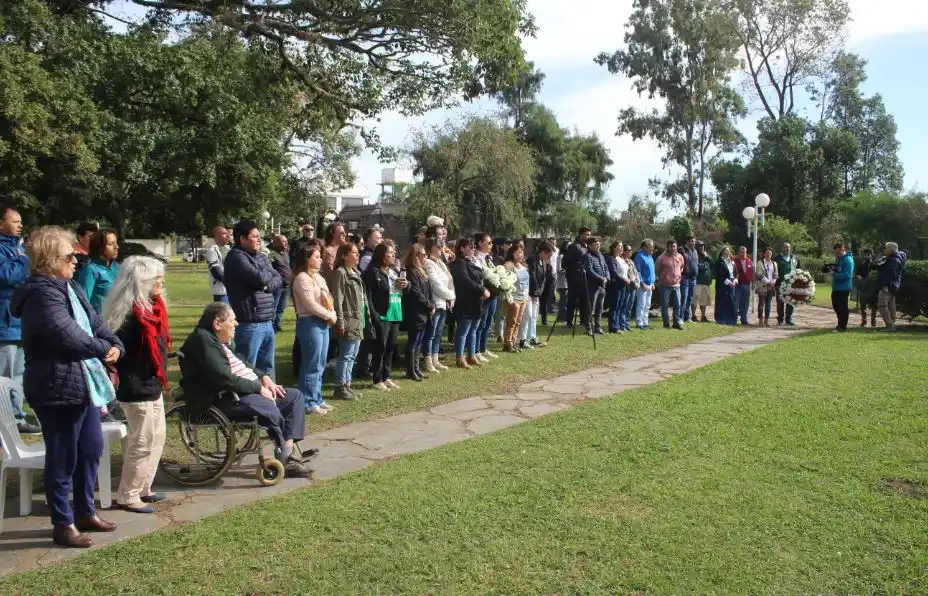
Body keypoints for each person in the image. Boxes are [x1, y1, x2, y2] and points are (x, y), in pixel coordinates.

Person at [11, 226, 124, 548]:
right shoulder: (41, 294)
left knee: (90, 449)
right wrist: (104, 350)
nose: (77, 260)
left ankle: (85, 511)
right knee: (62, 457)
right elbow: (66, 335)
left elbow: (96, 323)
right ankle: (62, 524)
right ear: (48, 260)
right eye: (70, 255)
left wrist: (115, 345)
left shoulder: (70, 287)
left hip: (81, 384)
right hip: (55, 387)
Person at [178, 303, 312, 477]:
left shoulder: (220, 340)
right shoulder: (203, 340)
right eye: (232, 321)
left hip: (244, 391)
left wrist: (263, 377)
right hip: (224, 397)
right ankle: (286, 457)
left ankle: (286, 455)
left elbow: (242, 363)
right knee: (269, 408)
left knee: (294, 397)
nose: (236, 324)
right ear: (217, 323)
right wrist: (257, 388)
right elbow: (223, 377)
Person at [102, 256, 170, 514]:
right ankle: (128, 494)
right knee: (141, 440)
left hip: (152, 382)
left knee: (157, 436)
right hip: (136, 385)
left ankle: (144, 486)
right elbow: (122, 356)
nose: (161, 282)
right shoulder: (130, 315)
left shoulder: (154, 307)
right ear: (141, 282)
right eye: (156, 278)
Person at [223, 220, 283, 380]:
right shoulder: (236, 258)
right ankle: (249, 404)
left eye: (259, 237)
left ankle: (269, 403)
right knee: (248, 371)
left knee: (267, 371)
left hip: (266, 321)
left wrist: (267, 286)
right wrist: (265, 282)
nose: (259, 240)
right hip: (250, 324)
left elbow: (279, 278)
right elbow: (260, 278)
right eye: (255, 236)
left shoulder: (261, 257)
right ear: (242, 239)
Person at [0, 206, 39, 434]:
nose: (20, 225)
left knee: (19, 374)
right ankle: (7, 422)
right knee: (5, 376)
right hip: (5, 325)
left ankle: (17, 418)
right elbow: (7, 276)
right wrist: (24, 259)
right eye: (15, 221)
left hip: (20, 323)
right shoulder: (8, 251)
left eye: (21, 221)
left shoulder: (17, 248)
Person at [291, 243, 336, 414]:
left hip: (323, 323)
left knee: (321, 362)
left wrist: (333, 313)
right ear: (306, 258)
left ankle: (317, 397)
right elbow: (309, 304)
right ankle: (308, 401)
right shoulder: (302, 278)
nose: (320, 260)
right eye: (316, 257)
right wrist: (329, 315)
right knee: (311, 363)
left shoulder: (319, 277)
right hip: (310, 323)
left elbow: (328, 297)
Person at [363, 240, 407, 390]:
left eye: (394, 252)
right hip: (382, 313)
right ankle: (377, 379)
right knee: (380, 347)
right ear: (382, 255)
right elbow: (368, 294)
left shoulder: (394, 270)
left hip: (396, 310)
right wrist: (373, 314)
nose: (393, 255)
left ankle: (386, 376)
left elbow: (402, 287)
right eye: (390, 252)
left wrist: (406, 285)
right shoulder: (373, 271)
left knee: (391, 346)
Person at [330, 243, 372, 400]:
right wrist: (340, 322)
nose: (357, 255)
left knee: (353, 354)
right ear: (343, 256)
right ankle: (340, 387)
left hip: (358, 319)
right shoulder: (341, 273)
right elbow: (338, 300)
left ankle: (347, 385)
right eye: (354, 253)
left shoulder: (356, 272)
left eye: (357, 252)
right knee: (346, 355)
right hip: (348, 319)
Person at [451, 238, 489, 369]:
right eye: (470, 246)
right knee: (463, 330)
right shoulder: (459, 263)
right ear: (461, 248)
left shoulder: (473, 262)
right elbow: (464, 280)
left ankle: (471, 355)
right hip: (465, 300)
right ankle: (460, 357)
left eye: (474, 247)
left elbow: (480, 278)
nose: (473, 249)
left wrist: (482, 290)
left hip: (476, 300)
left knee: (473, 329)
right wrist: (481, 289)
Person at [401, 244, 434, 380]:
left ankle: (416, 368)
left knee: (419, 341)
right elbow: (416, 292)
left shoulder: (421, 270)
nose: (425, 257)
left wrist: (431, 304)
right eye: (423, 254)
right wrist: (428, 305)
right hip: (415, 310)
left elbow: (427, 290)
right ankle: (410, 370)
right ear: (415, 256)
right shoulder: (411, 271)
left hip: (424, 311)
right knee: (413, 341)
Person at [423, 238, 455, 371]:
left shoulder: (441, 263)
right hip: (435, 301)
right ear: (430, 248)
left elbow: (449, 281)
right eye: (438, 246)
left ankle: (435, 358)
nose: (440, 249)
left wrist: (451, 296)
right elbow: (435, 284)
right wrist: (450, 295)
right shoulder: (428, 263)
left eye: (442, 246)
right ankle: (428, 359)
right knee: (431, 332)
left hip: (445, 302)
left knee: (439, 332)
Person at [77, 228, 120, 314]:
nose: (116, 247)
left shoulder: (116, 266)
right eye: (111, 244)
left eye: (116, 243)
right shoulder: (90, 270)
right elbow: (82, 304)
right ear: (99, 247)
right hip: (100, 322)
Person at [521, 240, 552, 348]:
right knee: (527, 316)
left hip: (537, 293)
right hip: (529, 292)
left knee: (534, 316)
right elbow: (532, 275)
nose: (549, 257)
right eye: (548, 254)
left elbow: (544, 277)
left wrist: (540, 290)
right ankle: (523, 339)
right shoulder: (532, 259)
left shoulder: (542, 261)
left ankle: (532, 337)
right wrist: (535, 290)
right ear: (543, 252)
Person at [473, 233, 498, 362]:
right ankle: (476, 350)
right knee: (481, 324)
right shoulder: (476, 257)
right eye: (488, 243)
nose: (491, 245)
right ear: (480, 243)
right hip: (484, 293)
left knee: (488, 322)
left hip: (493, 293)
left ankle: (484, 348)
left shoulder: (488, 257)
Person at [502, 244, 530, 352]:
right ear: (512, 253)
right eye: (518, 252)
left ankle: (513, 342)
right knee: (511, 321)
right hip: (514, 298)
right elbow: (504, 282)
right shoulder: (508, 265)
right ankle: (507, 343)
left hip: (524, 298)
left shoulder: (523, 265)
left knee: (518, 322)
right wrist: (510, 298)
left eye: (522, 252)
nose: (521, 254)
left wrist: (527, 297)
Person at [562, 228, 592, 328]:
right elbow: (565, 263)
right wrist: (576, 266)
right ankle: (569, 322)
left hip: (585, 278)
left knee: (584, 300)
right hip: (574, 278)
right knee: (572, 300)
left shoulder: (587, 247)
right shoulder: (574, 246)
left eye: (589, 234)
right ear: (581, 235)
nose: (588, 236)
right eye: (586, 234)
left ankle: (583, 320)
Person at [875, 241, 907, 331]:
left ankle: (889, 325)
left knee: (882, 306)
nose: (884, 250)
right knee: (891, 306)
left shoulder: (892, 260)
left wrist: (882, 284)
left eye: (886, 248)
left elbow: (887, 274)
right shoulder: (899, 258)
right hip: (894, 286)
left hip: (887, 286)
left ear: (891, 249)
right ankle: (892, 324)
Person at [656, 240, 685, 330]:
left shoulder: (680, 256)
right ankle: (666, 324)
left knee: (677, 305)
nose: (673, 248)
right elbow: (657, 269)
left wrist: (678, 275)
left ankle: (676, 323)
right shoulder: (662, 258)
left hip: (676, 285)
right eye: (671, 246)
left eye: (674, 246)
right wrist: (663, 277)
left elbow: (682, 266)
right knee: (665, 306)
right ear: (667, 247)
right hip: (665, 285)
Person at [582, 236, 608, 335]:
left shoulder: (601, 255)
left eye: (599, 244)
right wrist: (601, 278)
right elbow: (589, 270)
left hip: (602, 286)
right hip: (592, 286)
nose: (598, 246)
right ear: (590, 246)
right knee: (590, 308)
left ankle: (598, 326)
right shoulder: (587, 256)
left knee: (600, 308)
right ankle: (589, 327)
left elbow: (605, 267)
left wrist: (607, 277)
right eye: (596, 244)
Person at [268, 235, 292, 333]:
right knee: (274, 307)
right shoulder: (271, 254)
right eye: (283, 241)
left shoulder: (285, 252)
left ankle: (277, 325)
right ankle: (271, 327)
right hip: (277, 286)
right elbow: (269, 269)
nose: (286, 243)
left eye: (286, 241)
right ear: (276, 242)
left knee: (282, 307)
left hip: (287, 286)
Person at [830, 243, 855, 332]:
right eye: (835, 252)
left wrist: (834, 274)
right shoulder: (838, 259)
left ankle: (842, 326)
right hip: (836, 287)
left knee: (842, 307)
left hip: (844, 287)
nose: (837, 254)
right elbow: (837, 269)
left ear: (843, 249)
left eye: (838, 252)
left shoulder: (848, 260)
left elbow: (848, 275)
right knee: (836, 306)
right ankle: (840, 324)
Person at [774, 243, 799, 327]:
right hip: (780, 284)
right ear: (782, 248)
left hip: (791, 284)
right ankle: (780, 320)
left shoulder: (794, 258)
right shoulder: (777, 258)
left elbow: (798, 270)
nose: (787, 249)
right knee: (780, 302)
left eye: (788, 247)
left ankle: (788, 319)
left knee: (791, 302)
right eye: (785, 247)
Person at [633, 239, 656, 330]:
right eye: (651, 246)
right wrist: (642, 283)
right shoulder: (639, 256)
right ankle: (639, 322)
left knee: (647, 304)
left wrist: (653, 282)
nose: (653, 248)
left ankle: (645, 322)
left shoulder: (650, 256)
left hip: (650, 284)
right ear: (645, 247)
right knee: (641, 304)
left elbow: (652, 271)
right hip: (643, 285)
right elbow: (637, 271)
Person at [205, 226, 231, 303]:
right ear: (217, 236)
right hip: (221, 293)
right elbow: (217, 273)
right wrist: (233, 281)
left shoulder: (229, 250)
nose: (228, 236)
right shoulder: (212, 251)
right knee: (222, 314)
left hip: (232, 292)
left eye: (228, 234)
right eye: (224, 234)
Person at [714, 246, 738, 325]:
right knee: (722, 302)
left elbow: (736, 273)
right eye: (726, 251)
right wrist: (728, 282)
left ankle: (731, 319)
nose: (728, 252)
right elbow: (720, 275)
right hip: (723, 285)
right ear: (722, 252)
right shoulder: (719, 262)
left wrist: (735, 280)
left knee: (731, 302)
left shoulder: (732, 261)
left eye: (729, 251)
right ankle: (721, 319)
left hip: (732, 284)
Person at [755, 247, 778, 327]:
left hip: (771, 287)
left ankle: (766, 320)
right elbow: (759, 274)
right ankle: (760, 320)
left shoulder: (774, 263)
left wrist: (773, 281)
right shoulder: (760, 263)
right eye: (767, 253)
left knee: (768, 304)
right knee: (761, 303)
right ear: (764, 254)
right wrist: (768, 282)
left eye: (770, 253)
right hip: (762, 286)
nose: (769, 254)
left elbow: (776, 274)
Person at [619, 244, 639, 332]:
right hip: (626, 286)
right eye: (629, 250)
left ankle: (627, 323)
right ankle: (622, 324)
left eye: (631, 251)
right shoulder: (622, 261)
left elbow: (635, 272)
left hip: (633, 286)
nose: (631, 252)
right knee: (624, 306)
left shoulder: (631, 261)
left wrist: (636, 280)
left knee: (630, 306)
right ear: (624, 251)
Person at [733, 246, 754, 326]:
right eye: (742, 252)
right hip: (737, 285)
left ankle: (744, 319)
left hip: (747, 285)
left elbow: (752, 272)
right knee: (736, 303)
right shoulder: (734, 261)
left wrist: (753, 282)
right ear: (738, 253)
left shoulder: (749, 261)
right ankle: (734, 319)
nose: (743, 253)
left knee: (745, 303)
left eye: (745, 252)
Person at [680, 235, 698, 324]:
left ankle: (687, 317)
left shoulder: (695, 251)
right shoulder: (681, 250)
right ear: (686, 241)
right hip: (685, 278)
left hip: (693, 278)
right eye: (691, 241)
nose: (693, 243)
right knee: (684, 297)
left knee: (690, 298)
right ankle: (680, 317)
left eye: (694, 241)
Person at [693, 242, 713, 323]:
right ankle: (693, 316)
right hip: (697, 281)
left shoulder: (706, 255)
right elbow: (697, 266)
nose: (702, 247)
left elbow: (712, 264)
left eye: (703, 246)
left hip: (706, 281)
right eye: (700, 246)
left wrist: (707, 256)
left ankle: (703, 316)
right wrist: (705, 265)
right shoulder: (695, 255)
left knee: (704, 300)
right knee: (694, 299)